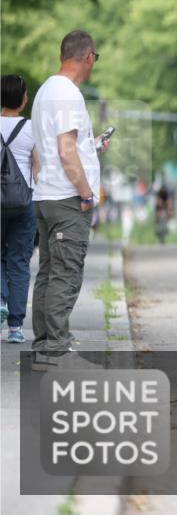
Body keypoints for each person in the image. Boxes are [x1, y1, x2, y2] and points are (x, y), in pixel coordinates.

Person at [29, 30, 108, 371]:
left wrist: (92, 146)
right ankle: (57, 352)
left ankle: (44, 346)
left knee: (48, 273)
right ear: (88, 57)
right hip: (66, 198)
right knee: (65, 274)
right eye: (95, 58)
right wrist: (86, 193)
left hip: (47, 195)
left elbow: (47, 147)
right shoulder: (67, 94)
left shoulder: (45, 91)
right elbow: (65, 151)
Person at [1, 75, 39, 344]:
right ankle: (15, 328)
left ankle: (0, 298)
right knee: (19, 262)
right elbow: (38, 169)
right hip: (24, 203)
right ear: (23, 99)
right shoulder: (31, 128)